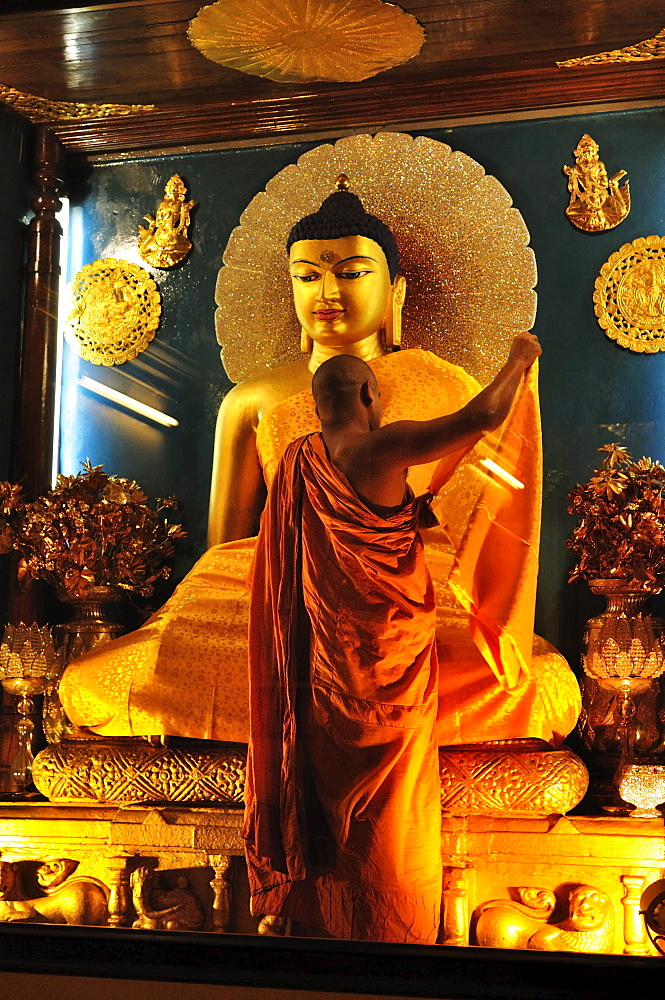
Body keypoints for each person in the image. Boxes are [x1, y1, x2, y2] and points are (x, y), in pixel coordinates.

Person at [59, 185, 579, 752]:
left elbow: (470, 526)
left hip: (407, 591)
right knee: (107, 677)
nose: (327, 291)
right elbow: (228, 544)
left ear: (396, 289)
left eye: (352, 272)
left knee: (535, 682)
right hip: (274, 585)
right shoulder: (252, 399)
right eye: (307, 276)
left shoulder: (444, 384)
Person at [244, 334, 541, 944]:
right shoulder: (382, 445)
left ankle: (323, 922)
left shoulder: (301, 459)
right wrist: (520, 357)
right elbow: (483, 417)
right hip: (386, 665)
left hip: (322, 667)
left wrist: (414, 511)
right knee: (391, 805)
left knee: (333, 799)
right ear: (366, 394)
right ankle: (389, 931)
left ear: (314, 402)